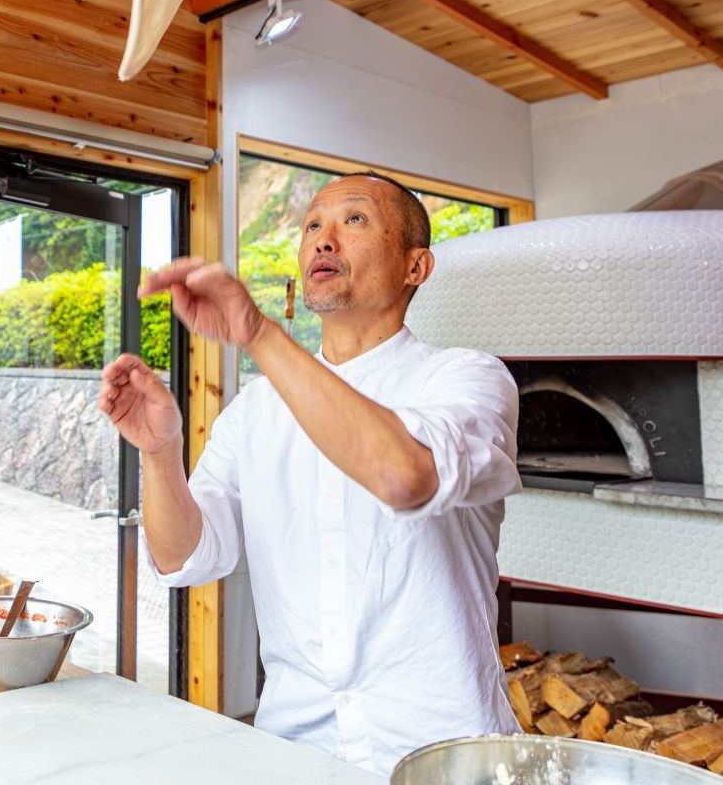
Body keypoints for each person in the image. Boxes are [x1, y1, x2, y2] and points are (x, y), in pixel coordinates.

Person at [97, 171, 522, 774]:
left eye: (354, 220)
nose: (324, 239)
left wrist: (259, 334)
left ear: (415, 267)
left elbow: (404, 476)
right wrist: (161, 452)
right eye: (313, 225)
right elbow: (183, 558)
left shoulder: (466, 379)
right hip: (296, 753)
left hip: (445, 752)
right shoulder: (255, 413)